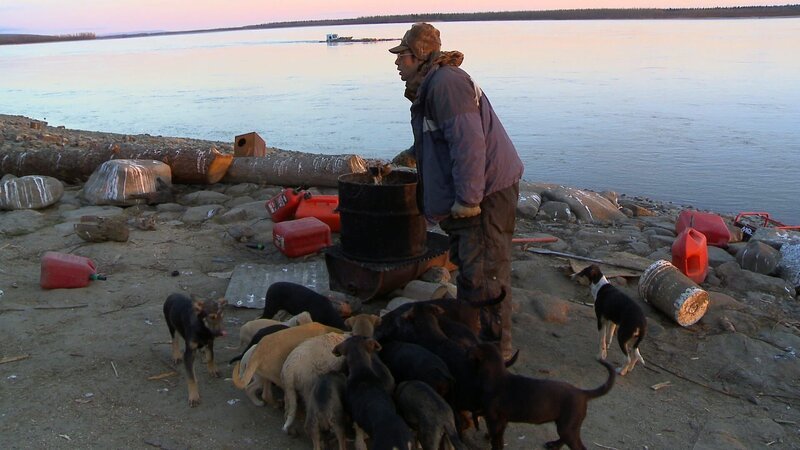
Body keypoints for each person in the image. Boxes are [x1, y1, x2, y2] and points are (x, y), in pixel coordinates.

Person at [388, 23, 524, 360]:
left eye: (401, 55)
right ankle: (472, 341)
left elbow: (469, 143)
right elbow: (445, 137)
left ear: (419, 56)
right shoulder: (434, 84)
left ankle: (496, 355)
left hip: (486, 195)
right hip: (474, 193)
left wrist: (468, 199)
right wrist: (413, 154)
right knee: (471, 269)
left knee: (486, 272)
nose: (396, 63)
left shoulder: (446, 84)